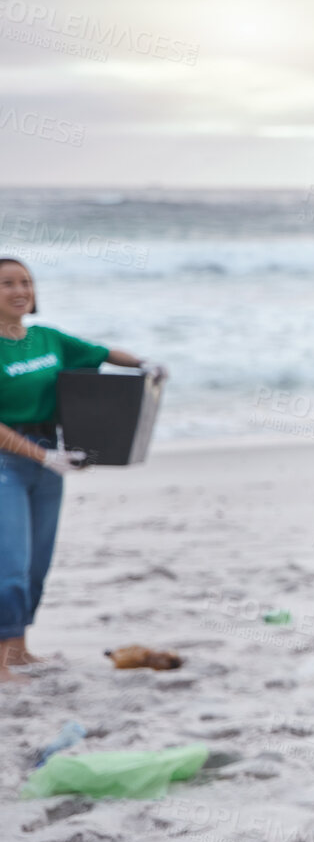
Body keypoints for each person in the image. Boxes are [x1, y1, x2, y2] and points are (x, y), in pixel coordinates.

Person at [0, 256, 167, 682]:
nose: (20, 291)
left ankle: (19, 652)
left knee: (37, 564)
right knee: (10, 566)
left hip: (49, 456)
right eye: (7, 284)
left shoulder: (47, 338)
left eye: (26, 282)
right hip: (9, 462)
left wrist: (144, 365)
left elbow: (103, 353)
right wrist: (42, 457)